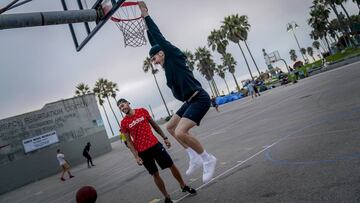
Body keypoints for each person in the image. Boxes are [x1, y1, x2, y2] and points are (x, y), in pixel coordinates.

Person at [138, 1, 217, 183]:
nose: (154, 61)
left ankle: (207, 158)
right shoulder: (167, 66)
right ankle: (193, 156)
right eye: (152, 59)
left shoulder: (172, 55)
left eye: (155, 57)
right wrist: (145, 27)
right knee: (170, 128)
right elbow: (153, 40)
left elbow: (157, 37)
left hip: (199, 99)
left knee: (181, 132)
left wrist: (146, 15)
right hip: (189, 101)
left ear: (163, 52)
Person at [117, 99, 196, 203]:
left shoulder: (142, 111)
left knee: (171, 165)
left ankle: (183, 185)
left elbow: (155, 125)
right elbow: (129, 141)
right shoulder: (124, 123)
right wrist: (136, 156)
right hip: (142, 152)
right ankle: (167, 197)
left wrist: (165, 137)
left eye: (123, 105)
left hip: (155, 145)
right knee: (155, 174)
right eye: (120, 108)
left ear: (128, 103)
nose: (123, 108)